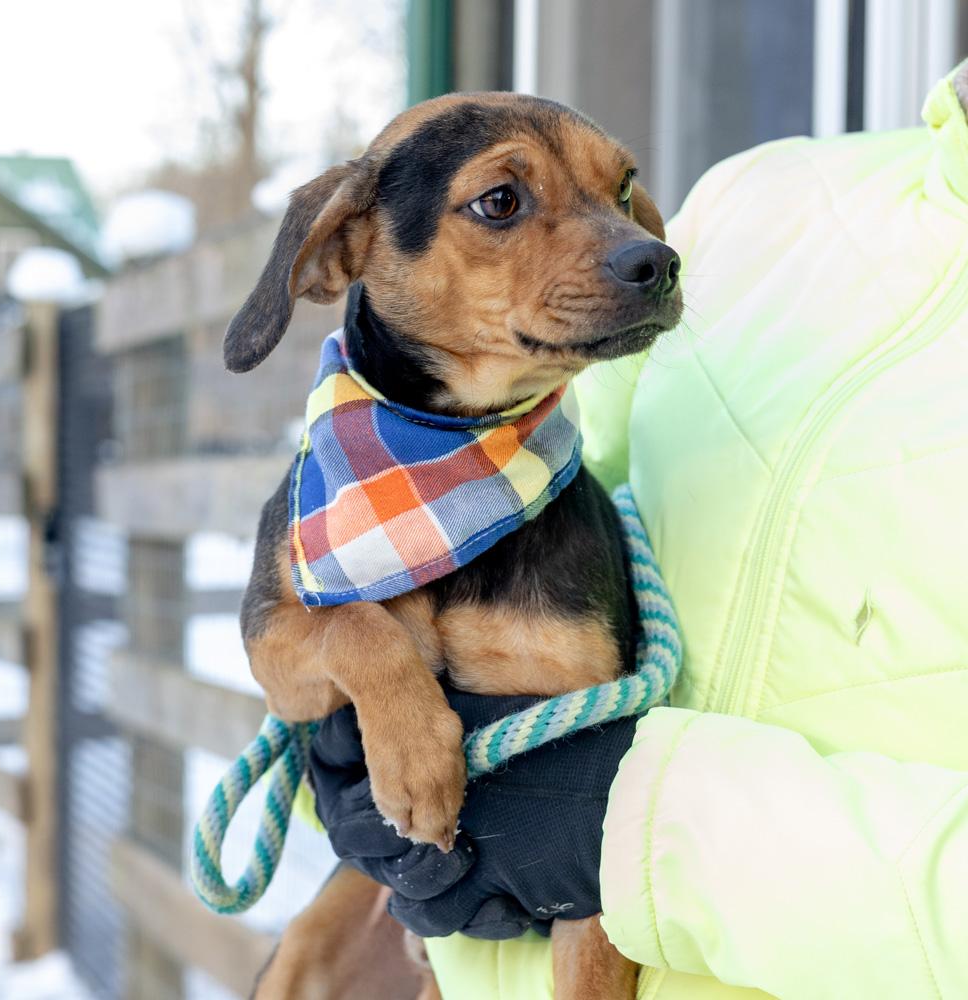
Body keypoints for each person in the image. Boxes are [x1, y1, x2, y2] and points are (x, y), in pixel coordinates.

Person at [310, 62, 968, 999]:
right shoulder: (762, 198)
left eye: (619, 196)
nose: (632, 242)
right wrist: (359, 729)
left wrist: (628, 827)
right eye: (502, 200)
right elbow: (532, 514)